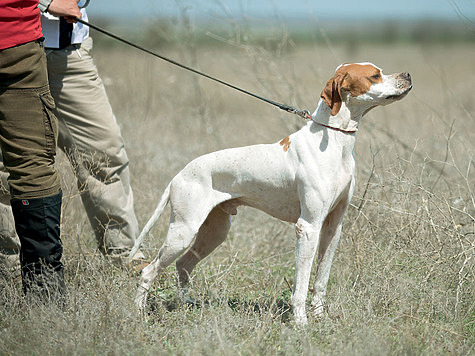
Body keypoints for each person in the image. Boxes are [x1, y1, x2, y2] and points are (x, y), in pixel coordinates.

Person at [0, 0, 144, 276]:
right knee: (8, 166)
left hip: (67, 53)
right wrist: (48, 2)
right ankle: (8, 266)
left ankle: (123, 255)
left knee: (104, 152)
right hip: (14, 51)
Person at [0, 0, 81, 301]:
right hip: (17, 40)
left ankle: (44, 300)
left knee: (33, 170)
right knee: (32, 167)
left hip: (17, 41)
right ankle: (44, 298)